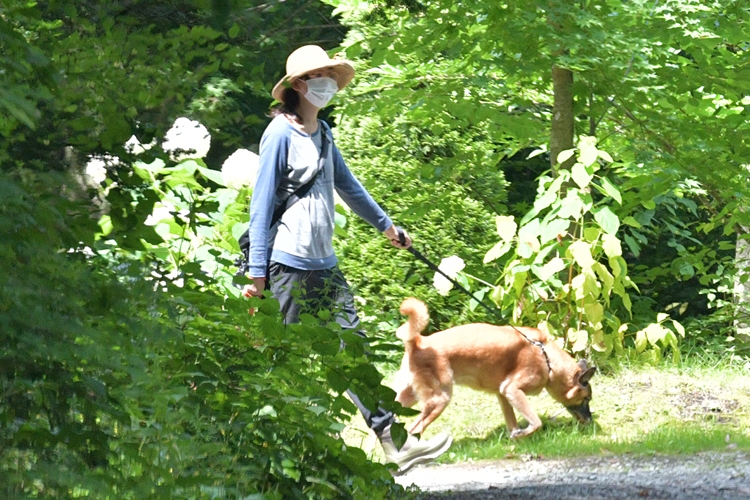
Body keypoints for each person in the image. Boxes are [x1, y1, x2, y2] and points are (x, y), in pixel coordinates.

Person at [242, 45, 452, 473]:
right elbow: (260, 205)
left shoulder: (324, 134)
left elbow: (348, 186)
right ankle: (271, 456)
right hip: (286, 267)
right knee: (282, 359)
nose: (329, 83)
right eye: (320, 76)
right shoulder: (280, 134)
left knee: (353, 353)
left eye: (331, 75)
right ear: (298, 86)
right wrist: (257, 271)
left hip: (326, 266)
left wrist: (387, 227)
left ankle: (395, 447)